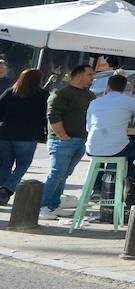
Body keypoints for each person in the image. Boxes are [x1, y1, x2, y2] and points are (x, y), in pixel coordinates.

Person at [39, 63, 96, 219]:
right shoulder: (62, 94)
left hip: (81, 140)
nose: (93, 78)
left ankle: (53, 205)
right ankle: (41, 207)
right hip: (62, 141)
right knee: (56, 173)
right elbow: (52, 114)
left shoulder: (90, 95)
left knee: (64, 175)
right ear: (78, 76)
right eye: (89, 74)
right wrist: (61, 134)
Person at [85, 73, 135, 184]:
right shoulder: (128, 101)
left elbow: (88, 127)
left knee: (100, 158)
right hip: (117, 147)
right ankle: (131, 178)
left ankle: (96, 189)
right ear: (124, 88)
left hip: (91, 147)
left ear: (108, 87)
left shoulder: (94, 102)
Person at [0, 68, 49, 205]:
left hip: (5, 133)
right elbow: (45, 116)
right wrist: (44, 134)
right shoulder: (43, 95)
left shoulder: (10, 92)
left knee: (5, 164)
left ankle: (2, 192)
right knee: (23, 164)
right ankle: (7, 188)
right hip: (27, 135)